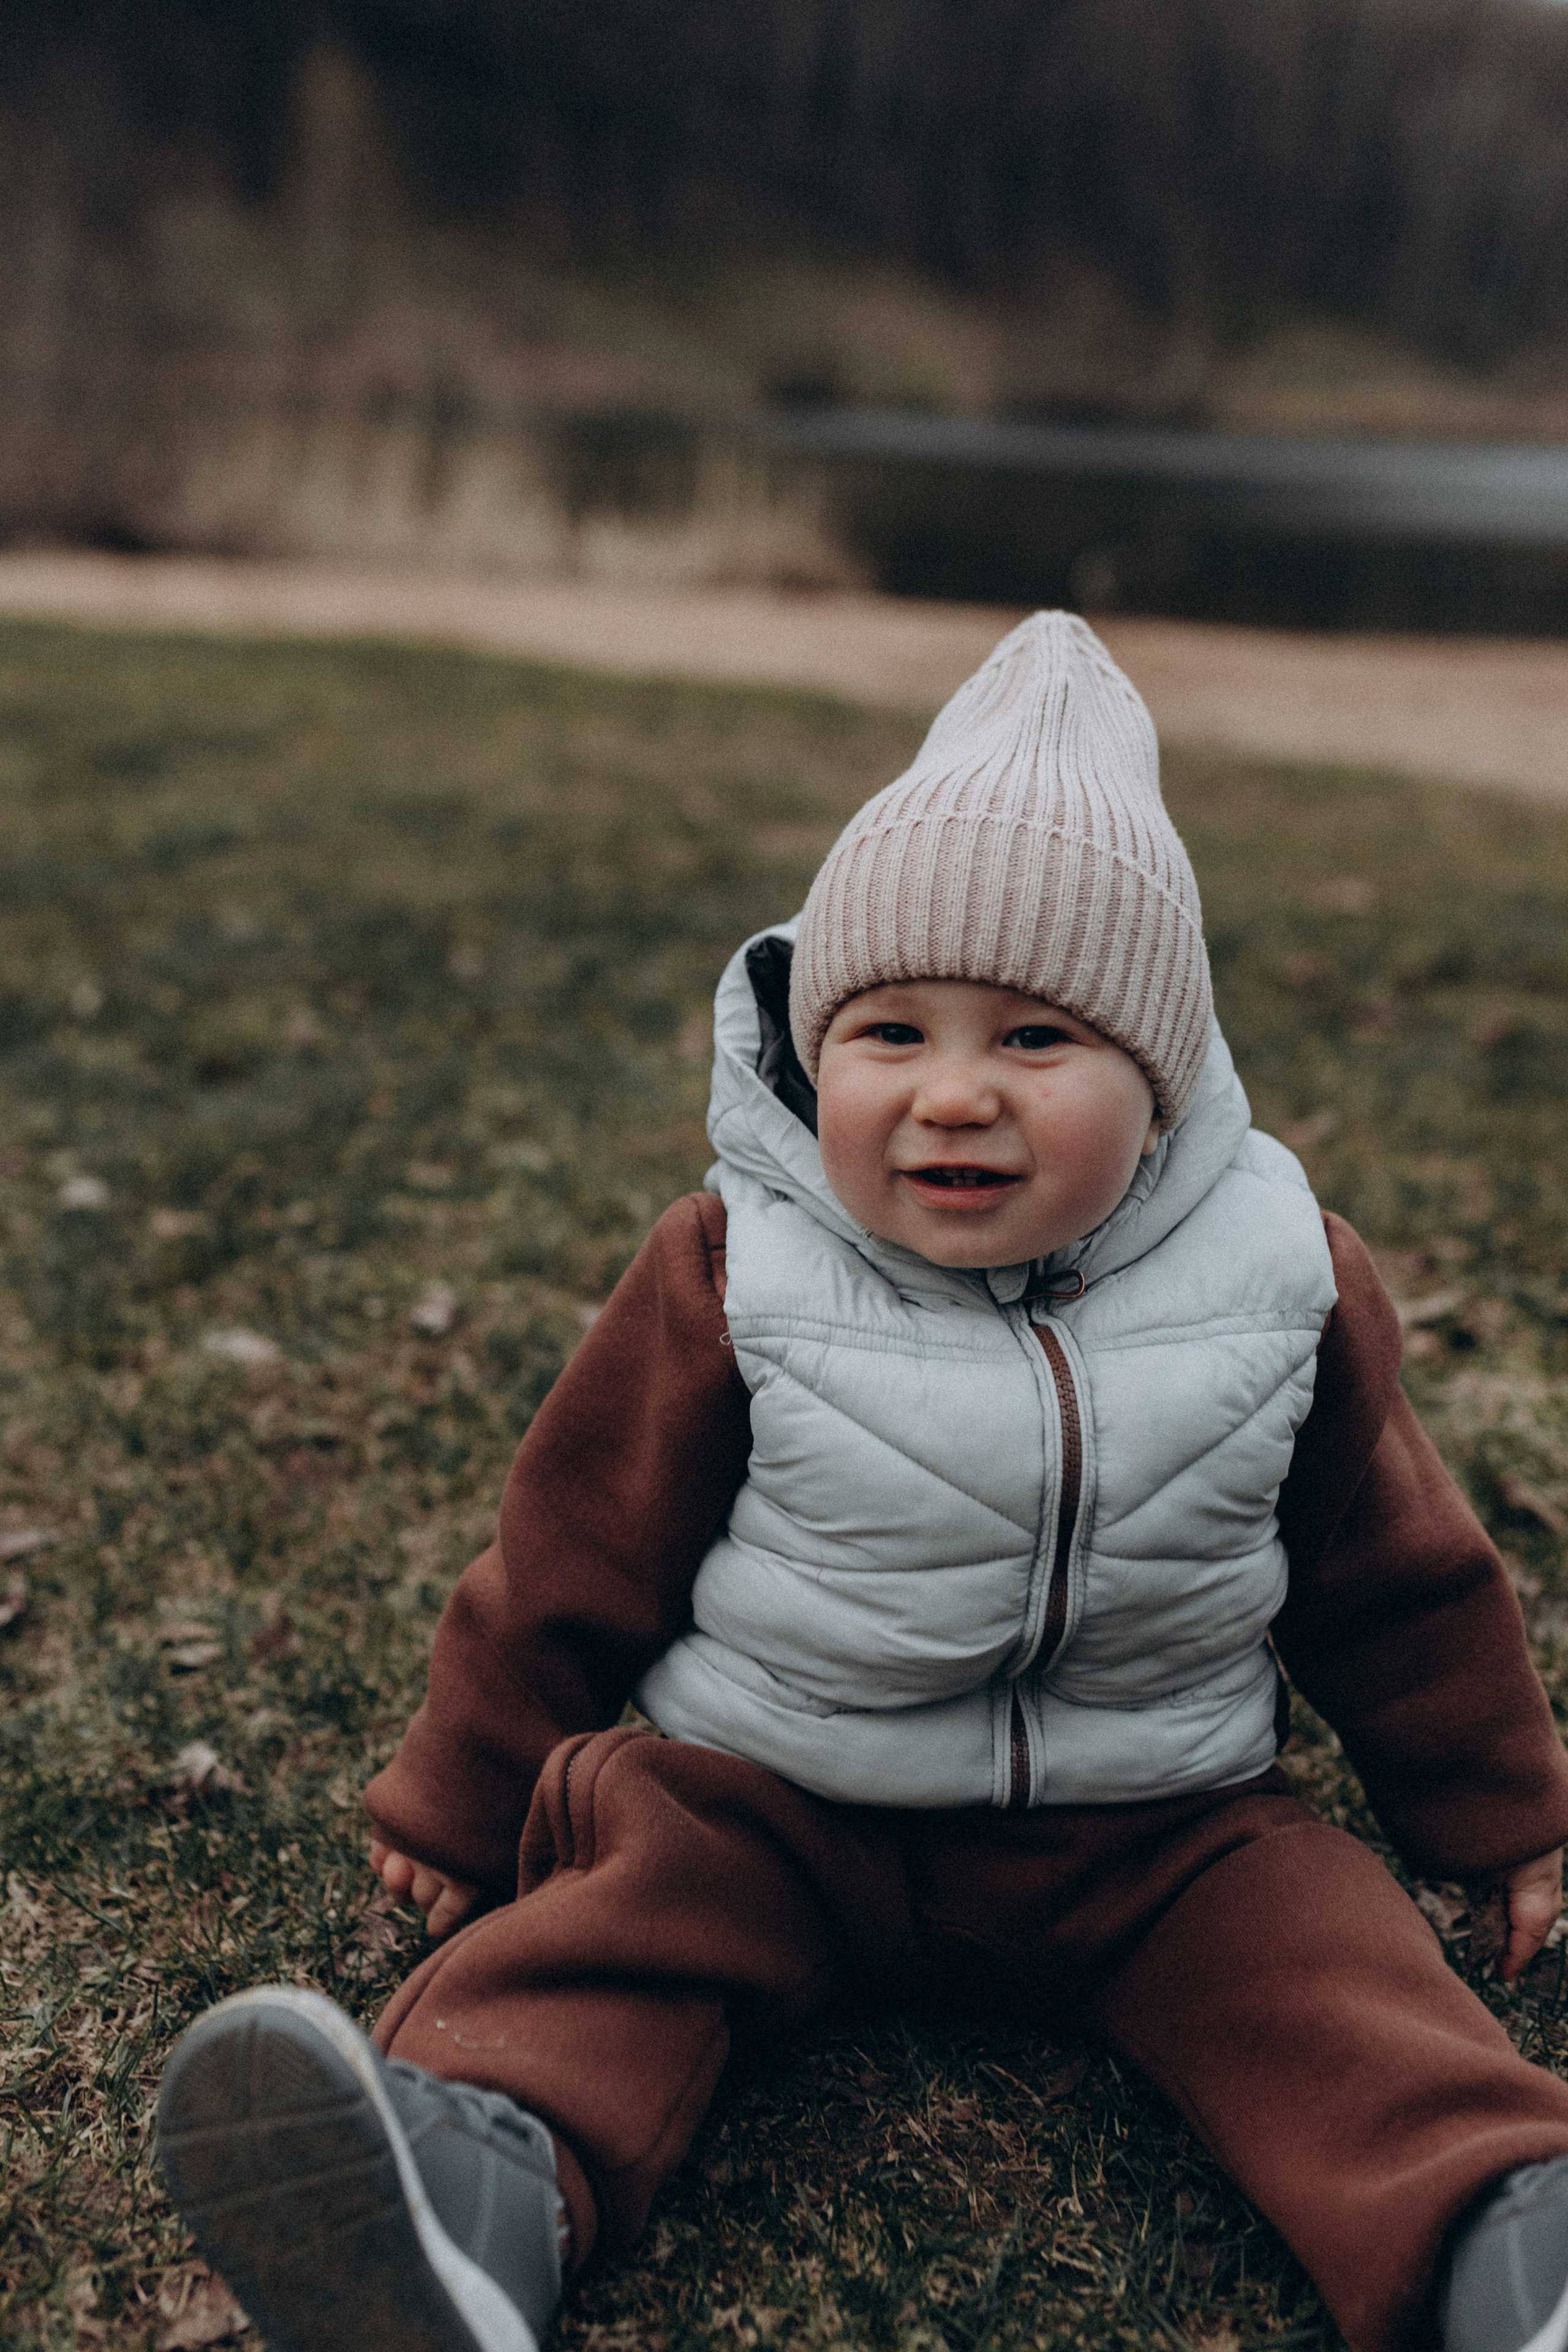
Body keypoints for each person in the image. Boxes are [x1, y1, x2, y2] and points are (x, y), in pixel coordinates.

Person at [157, 614, 1568, 2352]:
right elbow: (570, 1553)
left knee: (1334, 1972)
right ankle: (466, 2198)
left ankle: (1511, 2249)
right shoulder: (737, 1268)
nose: (952, 1094)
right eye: (890, 1031)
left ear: (1164, 1072)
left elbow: (1399, 1578)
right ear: (818, 1053)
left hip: (1155, 1828)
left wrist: (1499, 1813)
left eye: (1039, 1039)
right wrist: (461, 1797)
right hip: (778, 1794)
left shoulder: (1285, 1281)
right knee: (617, 1924)